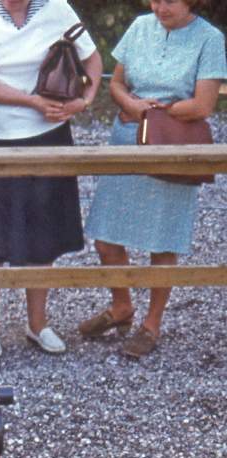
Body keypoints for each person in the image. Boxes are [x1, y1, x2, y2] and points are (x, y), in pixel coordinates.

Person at [0, 0, 102, 359]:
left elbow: (93, 58)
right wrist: (31, 102)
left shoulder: (56, 7)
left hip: (49, 135)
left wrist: (85, 99)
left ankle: (38, 323)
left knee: (44, 233)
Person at [80, 0, 226, 358]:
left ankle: (151, 323)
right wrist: (131, 105)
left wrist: (159, 111)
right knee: (106, 236)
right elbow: (115, 83)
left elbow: (203, 105)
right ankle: (121, 305)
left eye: (169, 1)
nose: (159, 7)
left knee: (163, 239)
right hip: (127, 138)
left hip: (172, 143)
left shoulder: (209, 39)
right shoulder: (140, 27)